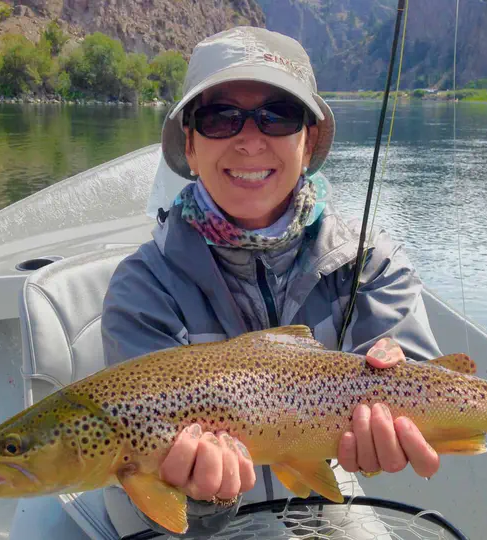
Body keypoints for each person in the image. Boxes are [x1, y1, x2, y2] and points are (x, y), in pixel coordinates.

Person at [102, 26, 442, 536]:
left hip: (327, 494)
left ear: (309, 142)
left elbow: (418, 377)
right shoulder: (142, 288)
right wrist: (197, 493)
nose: (249, 140)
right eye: (221, 117)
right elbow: (145, 473)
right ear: (190, 145)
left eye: (277, 115)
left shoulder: (372, 262)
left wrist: (402, 408)